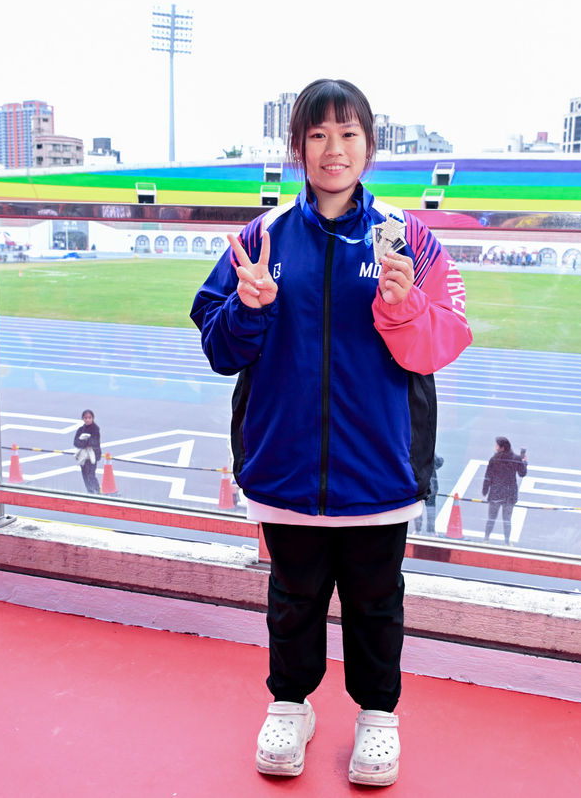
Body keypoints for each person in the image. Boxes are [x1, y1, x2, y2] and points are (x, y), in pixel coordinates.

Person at [190, 78, 471, 787]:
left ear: (369, 146)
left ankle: (379, 715)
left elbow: (442, 345)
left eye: (348, 133)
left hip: (379, 469)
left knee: (377, 601)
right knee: (292, 598)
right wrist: (248, 306)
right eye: (317, 135)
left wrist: (404, 307)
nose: (333, 149)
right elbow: (220, 347)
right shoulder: (260, 238)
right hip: (284, 467)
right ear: (298, 148)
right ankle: (290, 704)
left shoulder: (411, 240)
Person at [482, 437, 527, 545]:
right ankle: (507, 542)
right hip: (509, 494)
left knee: (491, 518)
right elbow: (522, 473)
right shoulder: (515, 458)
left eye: (497, 445)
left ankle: (486, 539)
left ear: (502, 447)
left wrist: (485, 490)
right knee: (507, 520)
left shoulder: (494, 459)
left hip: (496, 493)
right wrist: (524, 462)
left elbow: (488, 476)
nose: (495, 447)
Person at [415, 453, 444, 535]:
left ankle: (417, 530)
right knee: (431, 507)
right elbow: (438, 463)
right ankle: (431, 530)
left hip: (418, 484)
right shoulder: (430, 450)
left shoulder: (413, 450)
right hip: (430, 484)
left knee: (417, 506)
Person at [73, 409, 101, 494]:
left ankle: (97, 491)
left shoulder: (95, 429)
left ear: (92, 418)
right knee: (85, 474)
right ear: (83, 418)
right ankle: (90, 491)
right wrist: (86, 443)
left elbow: (94, 442)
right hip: (83, 456)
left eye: (89, 418)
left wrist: (83, 442)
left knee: (91, 475)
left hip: (92, 456)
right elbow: (75, 442)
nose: (87, 420)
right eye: (85, 418)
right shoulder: (81, 429)